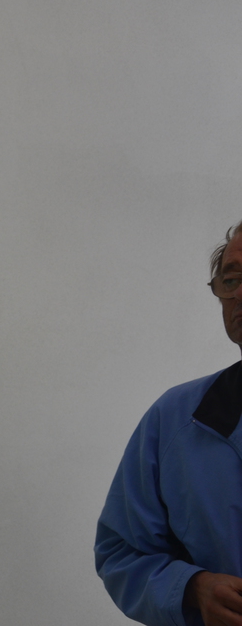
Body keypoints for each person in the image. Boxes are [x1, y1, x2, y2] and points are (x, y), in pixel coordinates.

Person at [96, 219, 242, 626]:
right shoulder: (177, 419)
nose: (239, 293)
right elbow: (120, 552)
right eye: (231, 280)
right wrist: (194, 587)